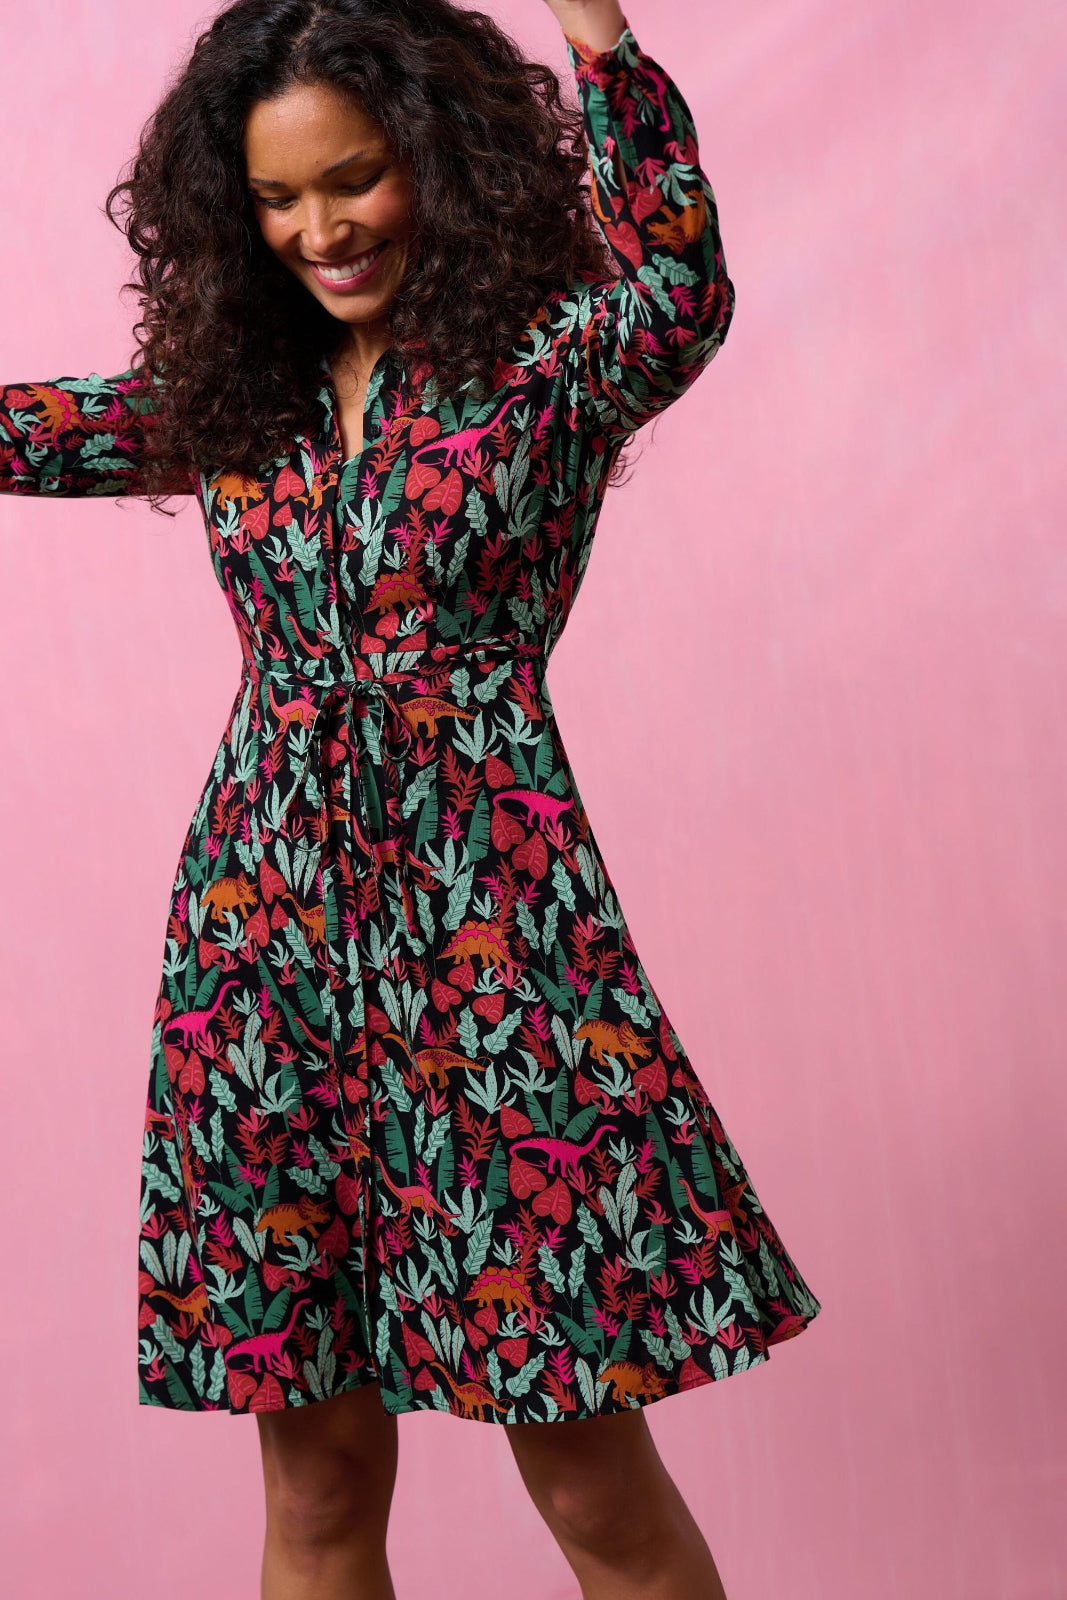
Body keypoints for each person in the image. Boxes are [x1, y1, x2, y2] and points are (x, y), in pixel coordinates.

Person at [0, 1, 822, 1594]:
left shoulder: (550, 367)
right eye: (276, 198)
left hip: (498, 953)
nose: (318, 228)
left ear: (434, 157)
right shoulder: (248, 395)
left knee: (591, 1487)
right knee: (313, 1487)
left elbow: (679, 291)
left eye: (354, 178)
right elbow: (32, 432)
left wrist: (599, 32)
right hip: (265, 951)